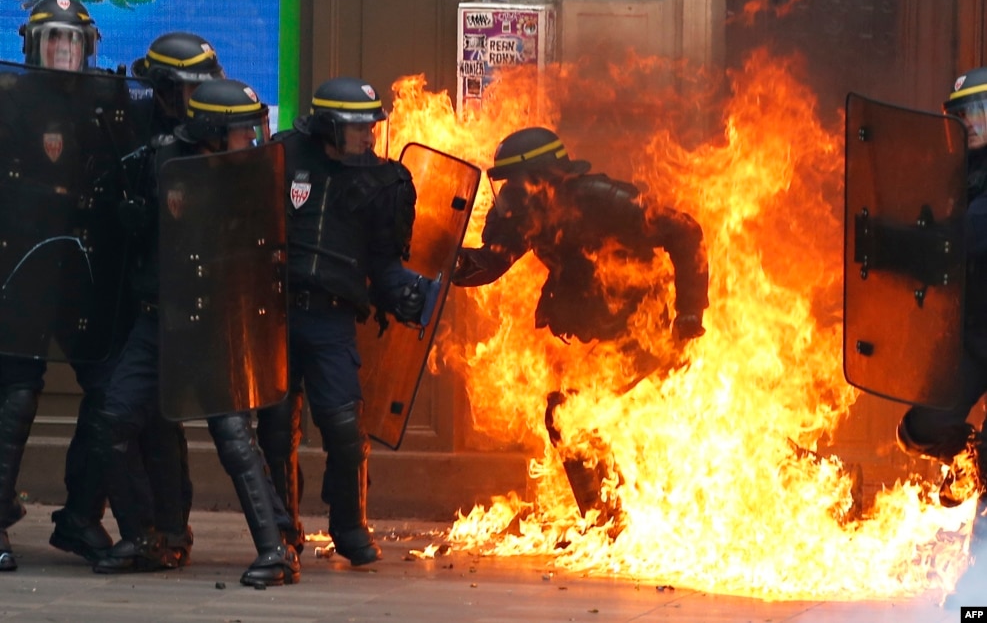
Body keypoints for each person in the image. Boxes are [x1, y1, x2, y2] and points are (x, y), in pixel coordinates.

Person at [88, 79, 300, 586]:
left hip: (216, 316)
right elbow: (129, 233)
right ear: (211, 130)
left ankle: (276, 550)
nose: (250, 141)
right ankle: (143, 536)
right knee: (112, 420)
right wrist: (135, 220)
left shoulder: (249, 173)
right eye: (240, 132)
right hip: (158, 315)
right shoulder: (160, 161)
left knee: (232, 436)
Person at [452, 127, 709, 527]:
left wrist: (690, 311)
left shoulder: (601, 199)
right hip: (603, 336)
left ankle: (608, 521)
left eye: (514, 181)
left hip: (645, 328)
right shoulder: (527, 215)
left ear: (541, 176)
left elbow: (686, 230)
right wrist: (439, 257)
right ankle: (610, 518)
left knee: (567, 412)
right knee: (573, 415)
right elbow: (491, 263)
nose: (507, 192)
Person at [267, 76, 432, 565]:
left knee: (343, 425)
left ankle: (350, 525)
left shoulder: (384, 182)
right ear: (329, 126)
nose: (369, 135)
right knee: (275, 428)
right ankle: (281, 528)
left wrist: (400, 291)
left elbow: (383, 260)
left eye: (372, 125)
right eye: (359, 127)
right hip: (274, 312)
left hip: (332, 319)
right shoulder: (280, 158)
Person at [1, 0, 126, 572]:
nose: (63, 49)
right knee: (17, 394)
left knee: (111, 389)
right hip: (20, 266)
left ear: (88, 47)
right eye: (52, 39)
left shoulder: (109, 102)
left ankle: (80, 517)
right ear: (33, 45)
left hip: (85, 272)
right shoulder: (9, 100)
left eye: (72, 40)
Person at [893, 67, 987, 608]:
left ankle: (970, 604)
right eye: (960, 113)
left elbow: (968, 237)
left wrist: (912, 243)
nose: (967, 122)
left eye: (978, 111)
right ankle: (973, 458)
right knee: (921, 427)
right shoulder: (957, 175)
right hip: (974, 339)